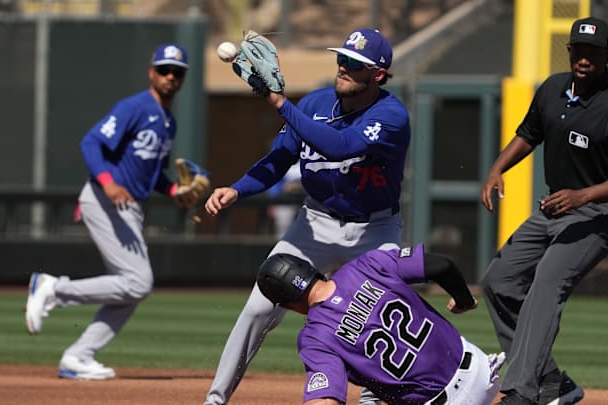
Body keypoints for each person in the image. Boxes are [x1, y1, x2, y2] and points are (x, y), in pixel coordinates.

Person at [203, 28, 411, 405]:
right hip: (314, 224)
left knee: (377, 320)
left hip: (374, 230)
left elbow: (340, 146)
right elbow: (279, 160)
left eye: (355, 64)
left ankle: (373, 397)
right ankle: (215, 399)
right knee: (257, 307)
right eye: (342, 58)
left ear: (377, 75)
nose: (344, 67)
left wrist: (280, 103)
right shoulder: (315, 103)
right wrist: (237, 189)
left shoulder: (391, 115)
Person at [480, 17, 608, 405]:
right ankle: (553, 381)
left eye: (594, 52)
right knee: (499, 281)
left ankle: (521, 391)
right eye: (579, 50)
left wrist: (582, 196)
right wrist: (497, 168)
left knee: (545, 286)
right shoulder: (553, 88)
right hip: (556, 208)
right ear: (569, 51)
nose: (584, 58)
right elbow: (528, 134)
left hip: (600, 216)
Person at [24, 43, 192, 380]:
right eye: (164, 70)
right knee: (139, 281)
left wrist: (174, 190)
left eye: (177, 72)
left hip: (128, 206)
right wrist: (108, 182)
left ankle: (78, 356)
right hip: (105, 198)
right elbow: (91, 142)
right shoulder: (135, 106)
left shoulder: (168, 122)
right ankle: (52, 289)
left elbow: (151, 171)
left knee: (129, 289)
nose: (170, 77)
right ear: (151, 73)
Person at [255, 244, 505, 405]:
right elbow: (443, 265)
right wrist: (463, 300)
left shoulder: (314, 337)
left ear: (286, 305)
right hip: (483, 370)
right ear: (312, 271)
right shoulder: (367, 264)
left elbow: (325, 401)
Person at [266, 161, 303, 239]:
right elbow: (275, 184)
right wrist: (272, 202)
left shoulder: (312, 157)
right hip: (284, 202)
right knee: (282, 232)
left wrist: (299, 185)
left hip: (306, 202)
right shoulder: (284, 158)